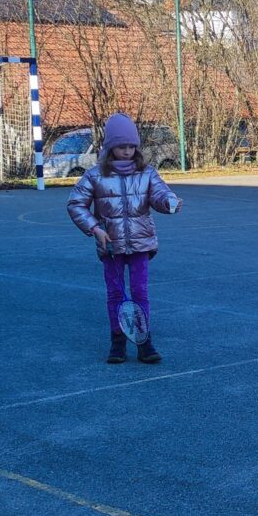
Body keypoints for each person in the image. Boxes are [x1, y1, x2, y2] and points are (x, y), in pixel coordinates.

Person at [66, 114, 180, 365]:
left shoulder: (147, 173)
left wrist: (170, 202)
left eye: (131, 146)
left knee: (140, 292)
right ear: (110, 148)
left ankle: (144, 341)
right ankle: (117, 341)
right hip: (111, 245)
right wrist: (95, 229)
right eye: (121, 146)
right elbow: (75, 204)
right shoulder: (95, 175)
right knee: (116, 293)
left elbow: (160, 195)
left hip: (141, 244)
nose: (127, 151)